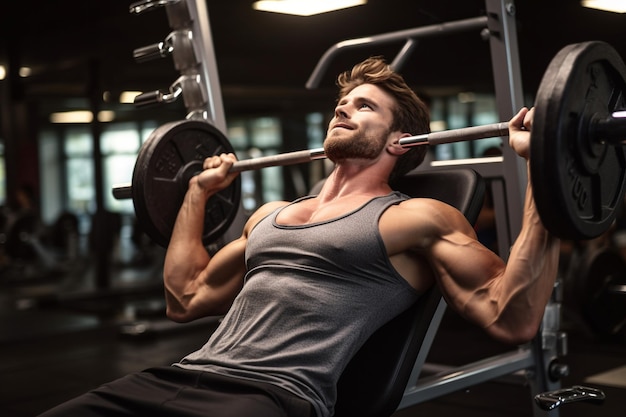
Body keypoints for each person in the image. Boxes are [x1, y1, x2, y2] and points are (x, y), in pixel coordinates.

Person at [39, 57, 560, 417]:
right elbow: (185, 296)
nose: (342, 109)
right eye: (343, 103)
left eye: (364, 107)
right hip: (179, 376)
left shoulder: (415, 218)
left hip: (271, 398)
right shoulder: (269, 215)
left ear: (401, 142)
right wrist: (195, 192)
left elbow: (510, 314)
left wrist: (544, 167)